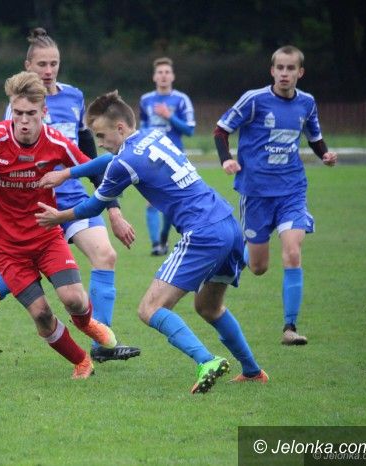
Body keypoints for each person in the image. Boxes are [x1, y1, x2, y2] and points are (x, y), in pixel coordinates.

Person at [37, 91, 268, 393]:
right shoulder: (151, 135)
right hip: (227, 224)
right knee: (209, 307)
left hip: (203, 232)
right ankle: (252, 371)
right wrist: (68, 173)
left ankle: (207, 360)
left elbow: (93, 206)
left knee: (150, 308)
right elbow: (107, 160)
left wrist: (58, 217)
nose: (100, 142)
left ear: (120, 128)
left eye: (102, 135)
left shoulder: (125, 162)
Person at [0, 27, 141, 364]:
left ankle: (101, 343)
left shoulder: (74, 97)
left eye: (54, 63)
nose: (48, 70)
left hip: (75, 198)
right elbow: (5, 157)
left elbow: (87, 151)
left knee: (105, 256)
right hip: (38, 204)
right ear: (28, 66)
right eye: (41, 64)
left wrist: (113, 208)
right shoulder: (20, 108)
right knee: (24, 272)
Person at [214, 45, 337, 345]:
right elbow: (221, 130)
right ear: (272, 71)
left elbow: (314, 136)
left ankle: (289, 328)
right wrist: (226, 159)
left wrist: (324, 154)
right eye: (279, 68)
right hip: (256, 193)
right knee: (258, 267)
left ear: (300, 72)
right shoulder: (254, 100)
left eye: (290, 68)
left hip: (292, 189)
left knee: (292, 252)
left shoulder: (307, 102)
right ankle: (231, 259)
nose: (284, 73)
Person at [139, 57, 196, 256]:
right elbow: (143, 127)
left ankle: (163, 237)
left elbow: (190, 130)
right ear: (154, 77)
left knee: (171, 202)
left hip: (175, 158)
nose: (163, 76)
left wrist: (169, 116)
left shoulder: (181, 99)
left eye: (167, 72)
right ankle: (156, 244)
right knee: (151, 201)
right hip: (152, 158)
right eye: (160, 72)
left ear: (173, 76)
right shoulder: (146, 100)